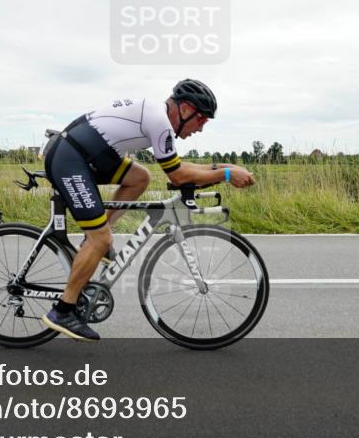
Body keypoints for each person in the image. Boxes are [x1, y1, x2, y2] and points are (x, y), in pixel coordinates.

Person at [40, 79, 256, 342]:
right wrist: (224, 173)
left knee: (139, 177)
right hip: (70, 159)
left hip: (89, 155)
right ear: (185, 109)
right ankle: (63, 311)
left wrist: (219, 169)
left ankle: (93, 239)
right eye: (201, 120)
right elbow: (177, 176)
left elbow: (178, 166)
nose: (200, 128)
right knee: (102, 239)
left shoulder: (157, 117)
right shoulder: (160, 122)